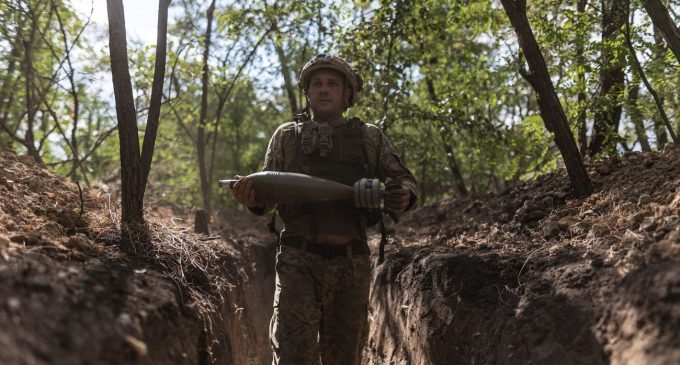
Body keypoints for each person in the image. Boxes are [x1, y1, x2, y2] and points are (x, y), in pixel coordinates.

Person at [232, 54, 420, 365]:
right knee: (293, 356)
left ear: (348, 94)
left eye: (332, 83)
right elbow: (266, 196)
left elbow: (405, 182)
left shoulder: (369, 137)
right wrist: (250, 197)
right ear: (307, 93)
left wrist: (402, 196)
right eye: (316, 84)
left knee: (343, 357)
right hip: (297, 261)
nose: (323, 89)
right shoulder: (286, 137)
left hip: (351, 263)